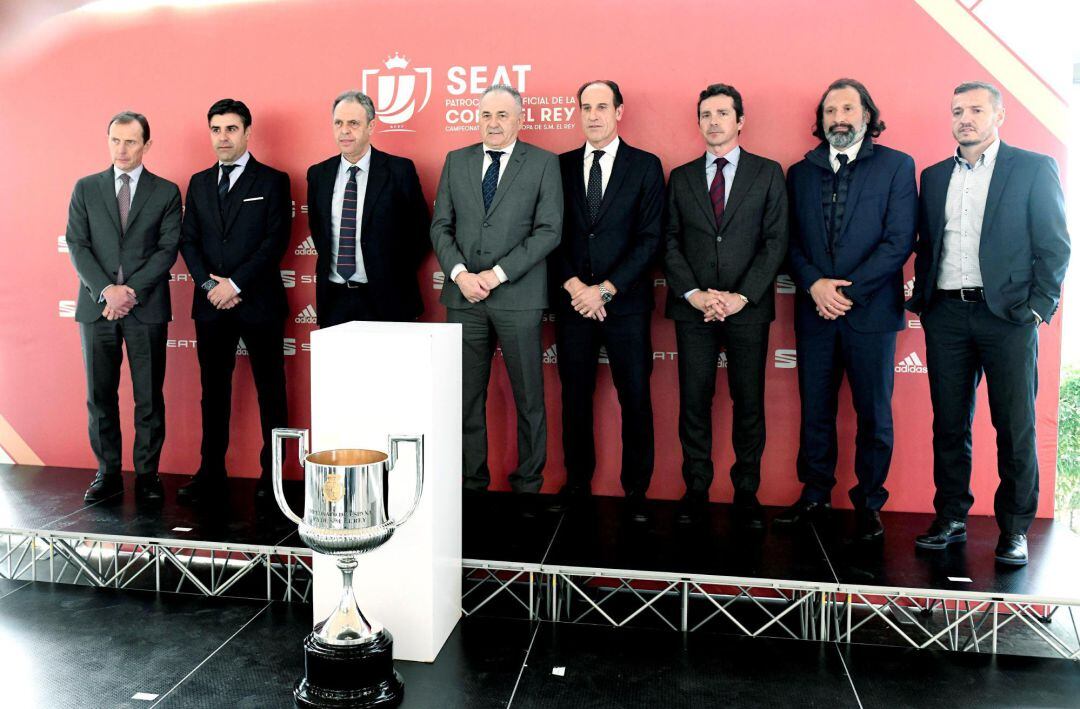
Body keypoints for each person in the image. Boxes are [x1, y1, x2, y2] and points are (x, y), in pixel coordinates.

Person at [907, 81, 1070, 565]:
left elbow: (1055, 245)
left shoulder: (1033, 168)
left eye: (976, 109)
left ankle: (1015, 528)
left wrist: (1039, 307)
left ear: (999, 116)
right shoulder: (935, 176)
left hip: (1008, 318)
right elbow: (928, 244)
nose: (965, 118)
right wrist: (925, 300)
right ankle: (951, 516)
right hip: (947, 315)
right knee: (949, 424)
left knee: (1014, 425)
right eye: (957, 110)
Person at [779, 79, 917, 541]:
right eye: (829, 110)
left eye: (847, 108)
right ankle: (815, 494)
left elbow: (899, 240)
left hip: (871, 314)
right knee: (815, 409)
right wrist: (815, 284)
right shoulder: (799, 173)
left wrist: (847, 293)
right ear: (820, 120)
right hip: (815, 311)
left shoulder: (897, 166)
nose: (838, 117)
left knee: (873, 412)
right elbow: (790, 241)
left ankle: (869, 503)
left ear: (866, 114)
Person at [663, 84, 788, 527]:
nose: (713, 121)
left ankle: (746, 491)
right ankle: (696, 488)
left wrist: (740, 297)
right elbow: (670, 241)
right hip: (693, 308)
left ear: (740, 121)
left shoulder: (768, 172)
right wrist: (695, 294)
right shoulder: (679, 177)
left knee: (748, 401)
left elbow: (776, 243)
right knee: (694, 401)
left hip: (747, 309)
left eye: (721, 113)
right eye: (705, 115)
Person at [430, 84, 563, 494]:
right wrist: (460, 275)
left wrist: (497, 274)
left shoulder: (543, 163)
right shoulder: (456, 161)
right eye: (486, 115)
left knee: (529, 399)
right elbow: (440, 226)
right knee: (466, 397)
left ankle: (529, 484)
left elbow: (549, 231)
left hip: (517, 297)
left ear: (520, 120)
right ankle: (471, 484)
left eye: (502, 115)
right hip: (463, 298)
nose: (493, 123)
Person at [548, 79, 664, 521]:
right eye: (585, 107)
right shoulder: (557, 167)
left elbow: (650, 238)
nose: (593, 115)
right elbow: (550, 234)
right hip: (573, 303)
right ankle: (577, 483)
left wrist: (607, 289)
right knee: (574, 397)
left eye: (602, 106)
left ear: (619, 111)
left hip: (626, 304)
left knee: (634, 397)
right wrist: (577, 287)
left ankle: (637, 490)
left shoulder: (645, 166)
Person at [178, 98, 291, 502]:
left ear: (247, 132)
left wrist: (236, 284)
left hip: (257, 300)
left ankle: (272, 478)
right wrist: (211, 287)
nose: (223, 137)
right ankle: (210, 472)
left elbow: (274, 241)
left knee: (271, 391)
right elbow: (188, 240)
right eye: (216, 129)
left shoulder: (273, 180)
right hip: (211, 305)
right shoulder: (199, 182)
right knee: (213, 390)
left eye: (230, 129)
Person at [65, 111, 181, 503]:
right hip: (96, 308)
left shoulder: (165, 192)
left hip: (144, 307)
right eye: (116, 140)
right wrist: (106, 291)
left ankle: (147, 475)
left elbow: (167, 250)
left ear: (147, 145)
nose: (122, 149)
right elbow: (77, 245)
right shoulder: (86, 188)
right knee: (100, 395)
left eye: (131, 141)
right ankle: (107, 472)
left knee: (148, 396)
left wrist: (128, 291)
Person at [307, 91, 430, 326]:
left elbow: (421, 232)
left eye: (353, 123)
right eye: (338, 123)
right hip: (334, 299)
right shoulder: (318, 174)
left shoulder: (399, 171)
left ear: (371, 126)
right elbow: (318, 229)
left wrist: (388, 272)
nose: (345, 130)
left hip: (388, 298)